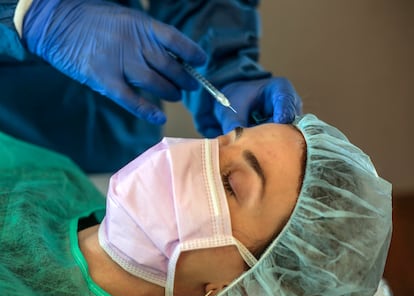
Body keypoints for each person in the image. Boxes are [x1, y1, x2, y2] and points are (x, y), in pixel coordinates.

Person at [0, 113, 393, 296]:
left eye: (229, 183)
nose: (187, 156)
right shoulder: (56, 179)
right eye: (218, 142)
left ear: (247, 289)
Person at [0, 0, 301, 173]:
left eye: (231, 183)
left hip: (99, 131)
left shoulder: (124, 173)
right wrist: (29, 14)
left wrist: (225, 67)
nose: (208, 152)